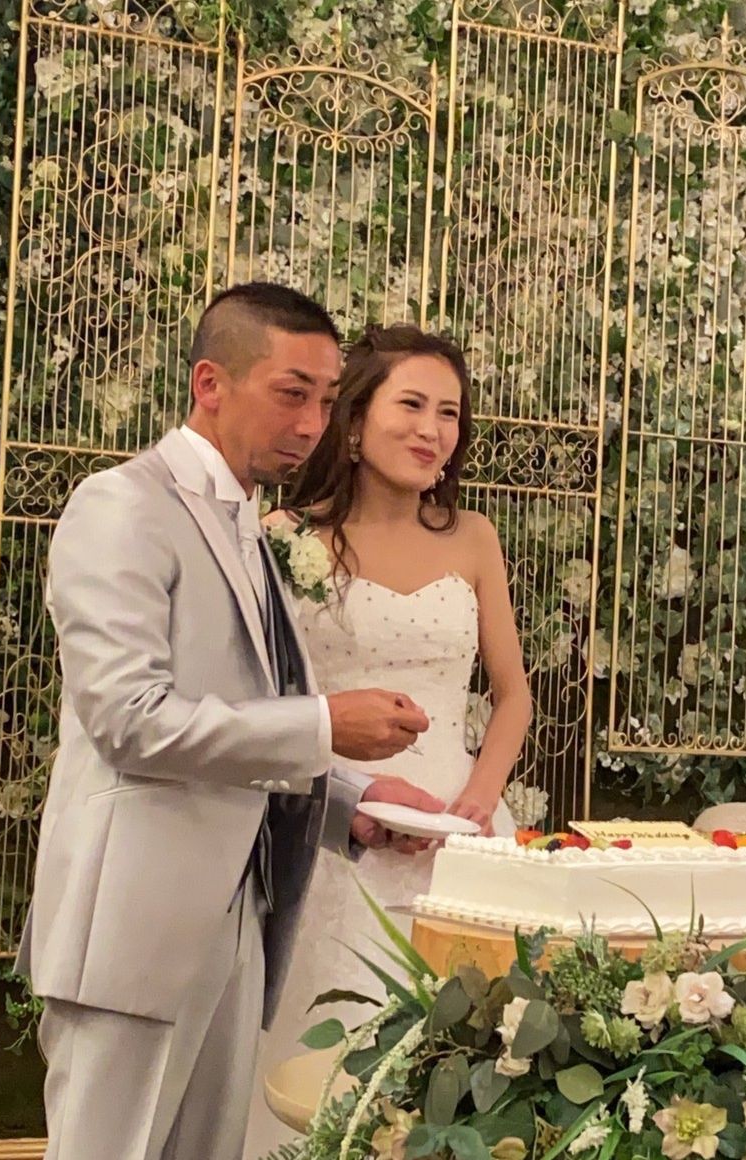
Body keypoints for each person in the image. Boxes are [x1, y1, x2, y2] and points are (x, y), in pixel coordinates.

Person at [17, 284, 446, 1160]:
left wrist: (350, 801)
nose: (312, 424)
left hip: (242, 915)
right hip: (135, 927)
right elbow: (128, 719)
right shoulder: (122, 505)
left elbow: (238, 705)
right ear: (210, 383)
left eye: (326, 400)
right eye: (291, 394)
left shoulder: (248, 522)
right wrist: (323, 725)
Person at [245, 323, 532, 1154]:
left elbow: (513, 695)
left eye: (449, 412)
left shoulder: (473, 537)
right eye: (411, 404)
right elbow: (263, 700)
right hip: (335, 823)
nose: (431, 429)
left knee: (462, 1063)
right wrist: (347, 792)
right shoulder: (284, 536)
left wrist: (479, 799)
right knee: (326, 1054)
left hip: (461, 832)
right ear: (355, 419)